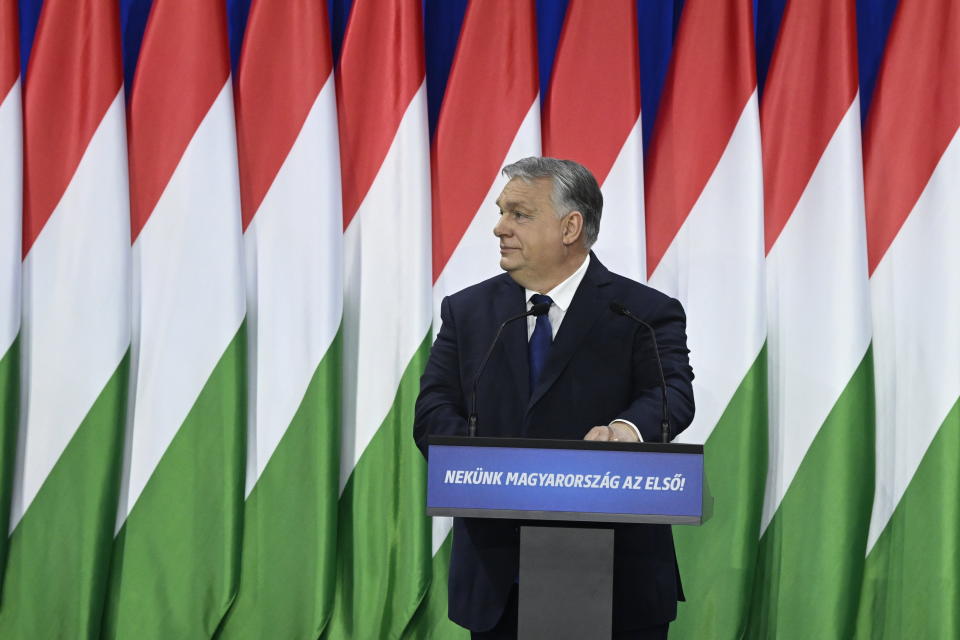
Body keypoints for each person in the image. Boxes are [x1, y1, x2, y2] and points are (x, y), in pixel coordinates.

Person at [414, 157, 695, 639]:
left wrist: (625, 431)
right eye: (502, 212)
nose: (499, 227)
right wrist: (497, 468)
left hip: (614, 572)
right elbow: (434, 410)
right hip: (500, 574)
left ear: (571, 227)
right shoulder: (468, 311)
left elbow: (671, 393)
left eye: (519, 214)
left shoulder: (643, 312)